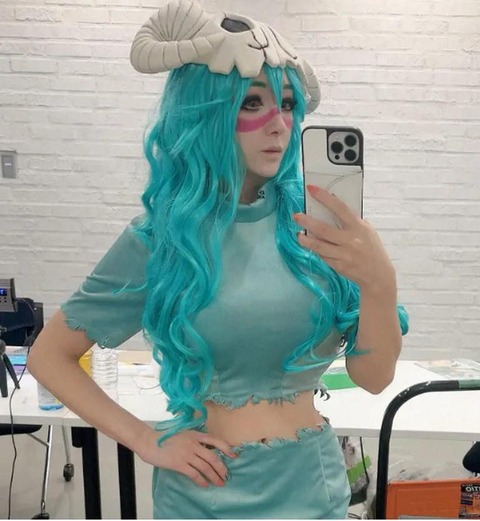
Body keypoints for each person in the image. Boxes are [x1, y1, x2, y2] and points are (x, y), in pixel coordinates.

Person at [27, 0, 409, 518]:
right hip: (207, 492)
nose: (279, 124)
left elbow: (374, 377)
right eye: (252, 103)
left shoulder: (319, 229)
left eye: (288, 104)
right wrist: (146, 440)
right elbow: (49, 356)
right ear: (205, 113)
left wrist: (379, 282)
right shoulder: (164, 237)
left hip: (312, 488)